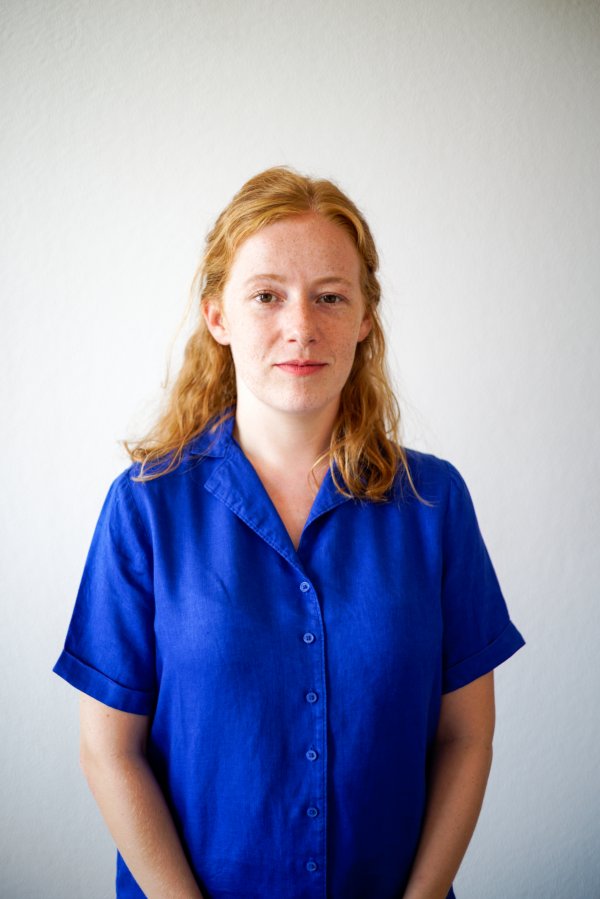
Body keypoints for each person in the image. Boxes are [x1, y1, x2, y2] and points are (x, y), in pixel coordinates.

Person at [53, 166, 526, 899]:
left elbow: (466, 736)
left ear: (365, 318)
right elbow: (109, 751)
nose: (301, 326)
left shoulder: (435, 502)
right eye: (267, 295)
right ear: (218, 316)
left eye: (330, 296)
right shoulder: (144, 508)